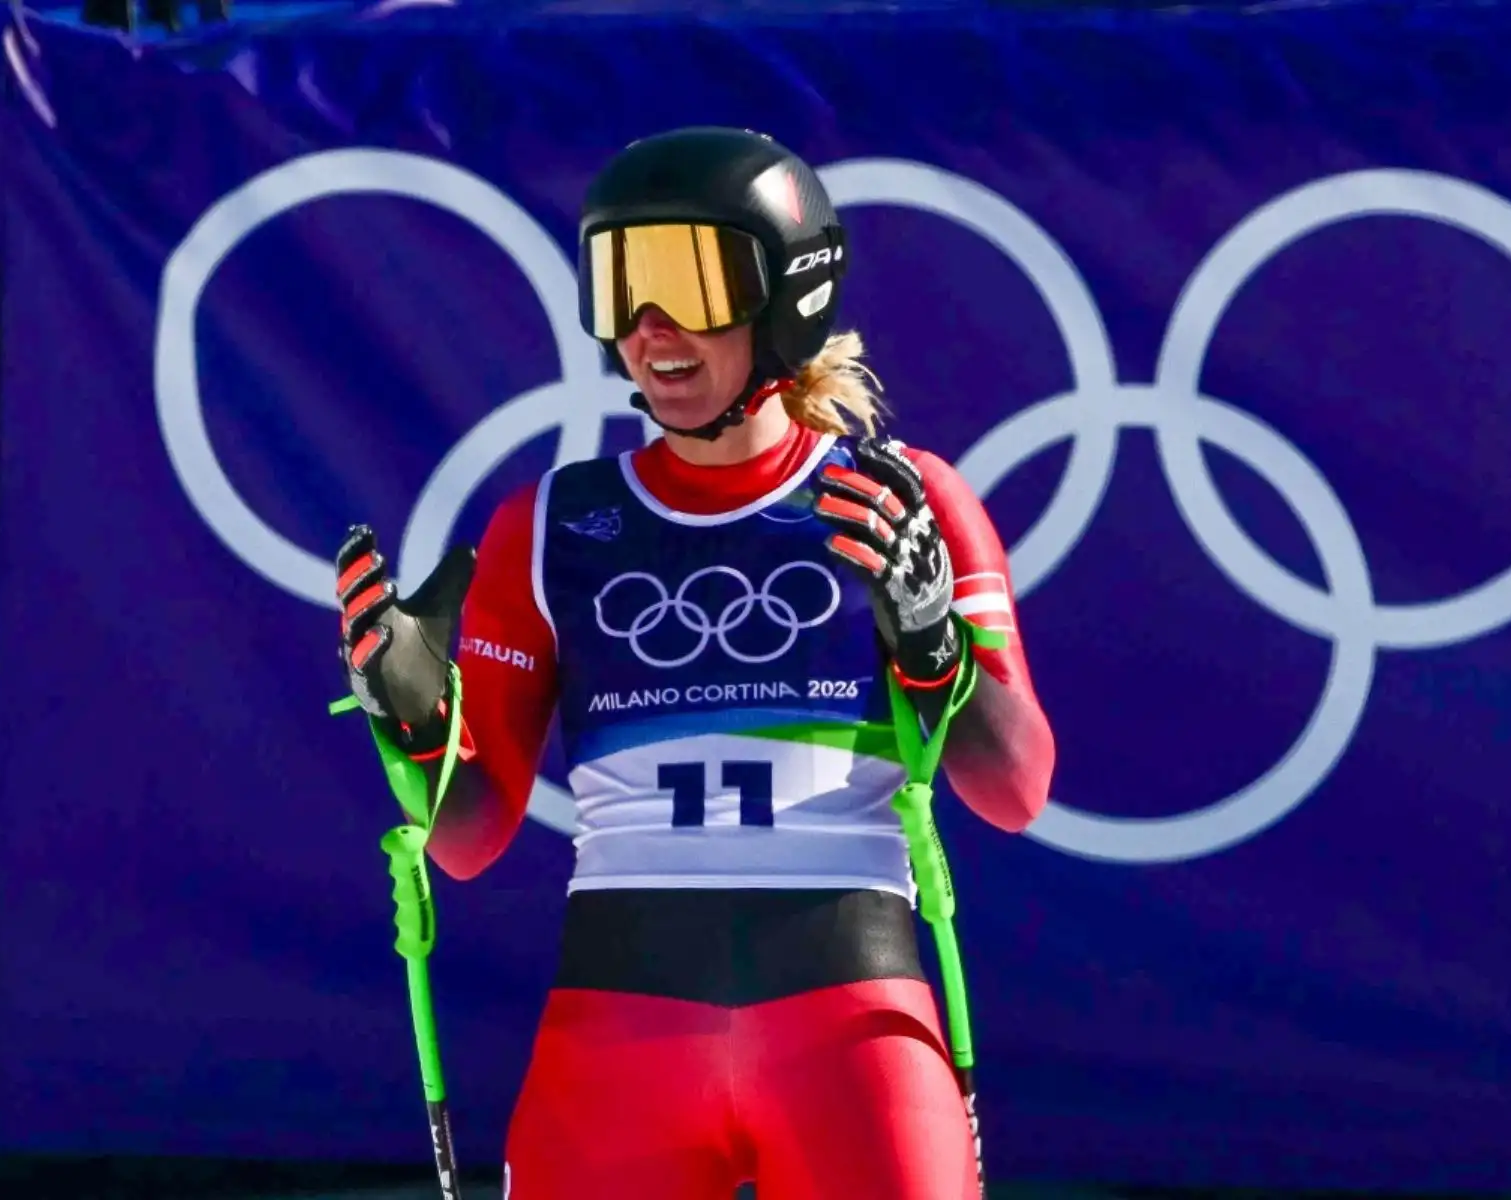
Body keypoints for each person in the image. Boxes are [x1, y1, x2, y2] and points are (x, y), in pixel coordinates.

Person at [332, 126, 1056, 1200]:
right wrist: (417, 716)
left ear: (787, 296)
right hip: (619, 1045)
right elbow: (470, 839)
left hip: (853, 1040)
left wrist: (930, 643)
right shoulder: (551, 523)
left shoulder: (902, 499)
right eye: (621, 286)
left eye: (689, 282)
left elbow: (1015, 789)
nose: (650, 330)